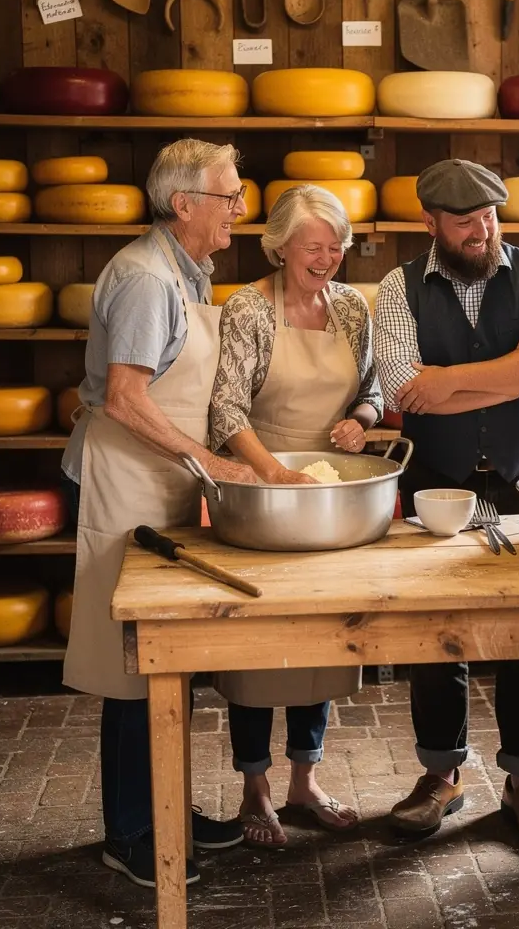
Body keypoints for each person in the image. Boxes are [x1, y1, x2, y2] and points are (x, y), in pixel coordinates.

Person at [59, 138, 258, 888]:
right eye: (230, 196)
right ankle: (133, 833)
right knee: (130, 670)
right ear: (185, 205)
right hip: (122, 483)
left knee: (165, 662)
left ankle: (163, 808)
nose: (239, 208)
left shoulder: (186, 267)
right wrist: (211, 461)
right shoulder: (146, 278)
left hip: (156, 479)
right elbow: (126, 399)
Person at [372, 158, 519, 847]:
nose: (482, 232)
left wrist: (453, 382)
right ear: (429, 223)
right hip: (438, 475)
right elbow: (402, 385)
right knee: (435, 631)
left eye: (489, 218)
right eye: (464, 223)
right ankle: (441, 776)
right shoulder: (397, 288)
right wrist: (508, 376)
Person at [209, 184, 383, 846]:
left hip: (330, 492)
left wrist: (359, 422)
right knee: (257, 646)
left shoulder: (350, 309)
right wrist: (274, 472)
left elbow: (372, 389)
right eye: (315, 246)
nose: (329, 257)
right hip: (261, 491)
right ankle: (255, 789)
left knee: (319, 643)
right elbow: (226, 412)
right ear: (279, 245)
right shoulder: (248, 308)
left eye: (336, 245)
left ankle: (303, 780)